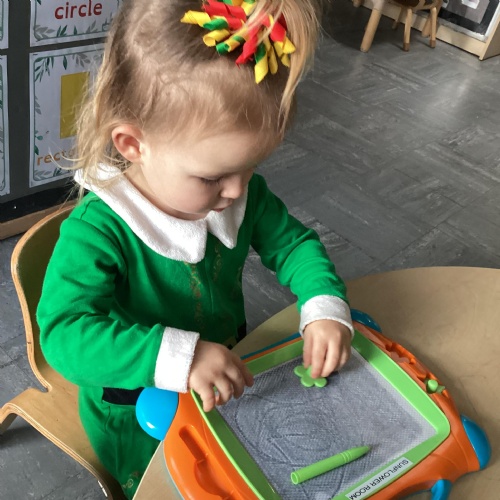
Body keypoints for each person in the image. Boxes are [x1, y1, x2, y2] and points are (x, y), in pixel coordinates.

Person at [37, 0, 353, 497]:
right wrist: (179, 357)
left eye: (250, 167)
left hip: (222, 380)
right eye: (212, 177)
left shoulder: (237, 191)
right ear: (133, 144)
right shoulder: (98, 231)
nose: (237, 190)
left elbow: (293, 244)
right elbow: (65, 335)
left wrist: (323, 304)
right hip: (138, 415)